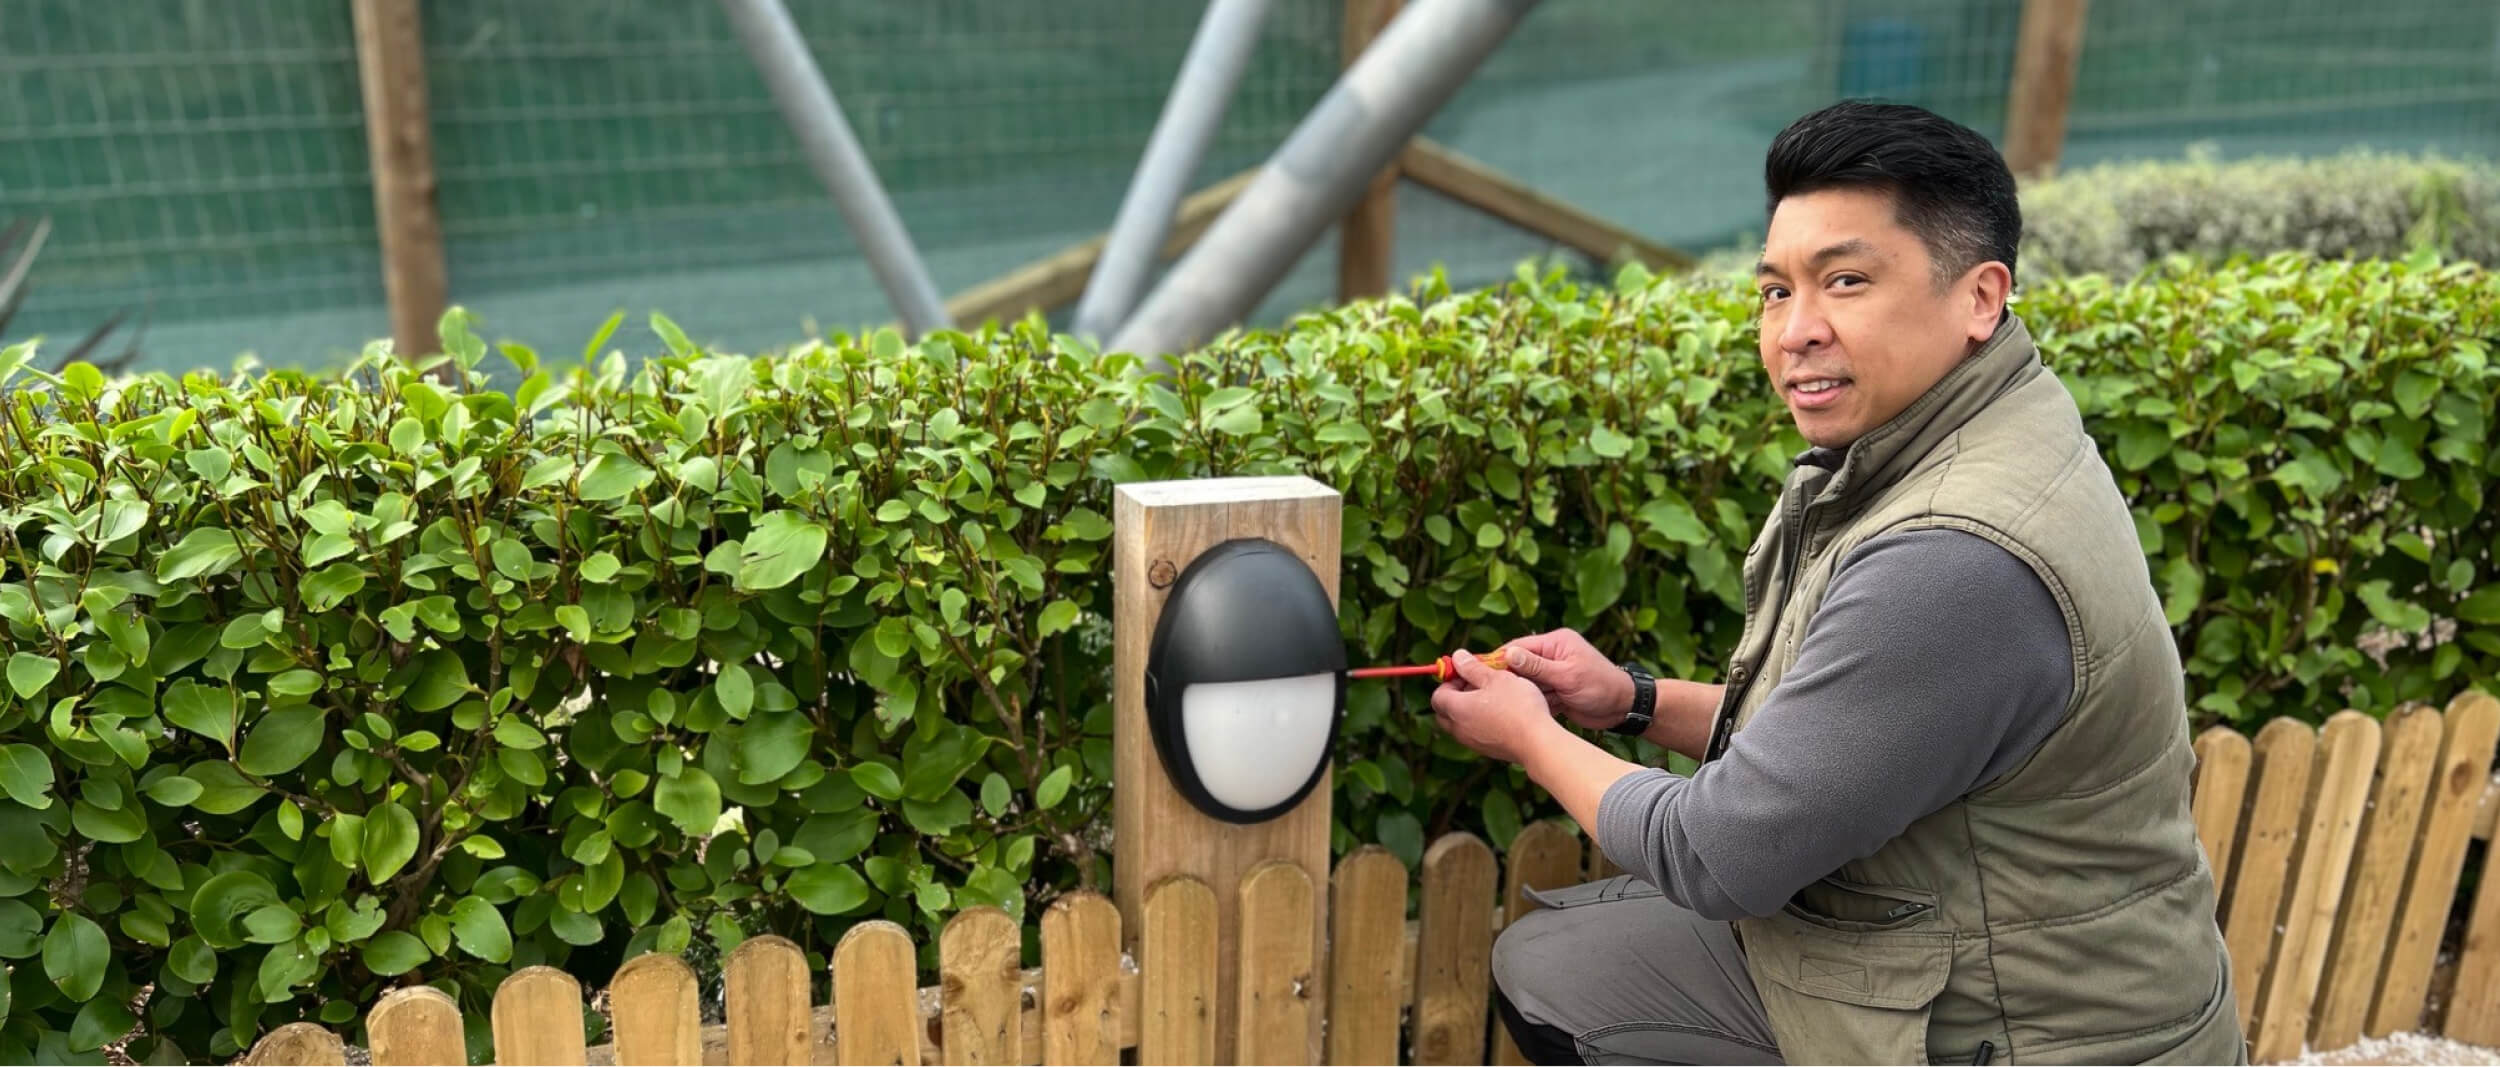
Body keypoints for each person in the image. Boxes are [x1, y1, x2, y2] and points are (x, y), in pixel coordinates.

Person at [1426, 100, 2245, 1065]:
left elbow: (1719, 852)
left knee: (1561, 973)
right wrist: (1628, 699)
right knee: (1575, 944)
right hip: (2063, 983)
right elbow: (1833, 746)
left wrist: (1532, 736)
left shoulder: (1954, 555)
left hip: (2032, 1033)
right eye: (1776, 291)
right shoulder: (1992, 424)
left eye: (1846, 280)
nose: (1796, 330)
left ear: (1981, 297)